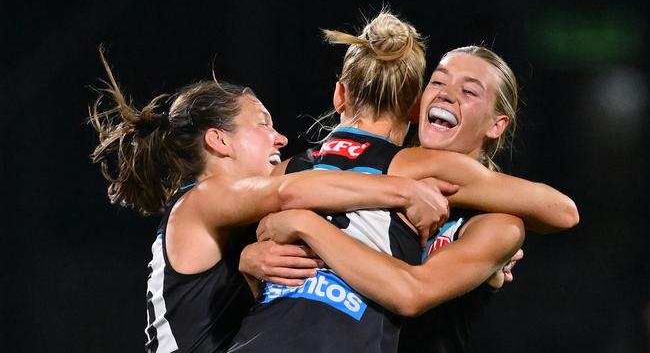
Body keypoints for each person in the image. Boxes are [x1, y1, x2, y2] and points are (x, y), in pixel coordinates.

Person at [231, 12, 578, 353]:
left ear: (496, 125)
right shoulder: (387, 171)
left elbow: (563, 211)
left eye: (469, 91)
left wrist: (303, 224)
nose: (446, 94)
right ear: (416, 103)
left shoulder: (495, 224)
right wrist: (248, 259)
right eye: (438, 81)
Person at [89, 49, 463, 353]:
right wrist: (404, 190)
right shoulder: (201, 200)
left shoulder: (239, 226)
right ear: (219, 141)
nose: (280, 138)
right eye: (263, 124)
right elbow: (292, 190)